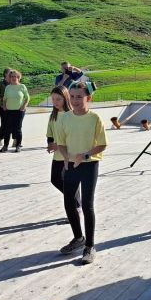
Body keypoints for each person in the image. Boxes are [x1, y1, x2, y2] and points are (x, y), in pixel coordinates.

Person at [55, 81, 108, 264]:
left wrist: (84, 155)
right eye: (73, 96)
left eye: (79, 96)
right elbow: (60, 143)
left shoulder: (95, 119)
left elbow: (102, 144)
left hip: (89, 165)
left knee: (87, 204)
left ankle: (90, 246)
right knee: (68, 201)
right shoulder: (65, 118)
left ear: (88, 98)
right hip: (70, 165)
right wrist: (66, 157)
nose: (75, 100)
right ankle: (78, 238)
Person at [46, 86, 80, 219]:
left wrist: (57, 145)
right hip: (57, 155)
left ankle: (75, 208)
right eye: (53, 99)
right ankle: (76, 204)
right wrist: (50, 144)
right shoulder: (53, 115)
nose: (55, 102)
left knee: (71, 183)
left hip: (69, 155)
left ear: (65, 98)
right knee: (55, 179)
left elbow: (72, 136)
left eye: (58, 99)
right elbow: (50, 133)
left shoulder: (71, 115)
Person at [0, 69, 29, 153]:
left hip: (19, 111)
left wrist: (23, 106)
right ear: (10, 78)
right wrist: (4, 106)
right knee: (7, 129)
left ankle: (18, 145)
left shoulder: (22, 86)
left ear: (18, 77)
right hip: (9, 111)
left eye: (15, 76)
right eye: (12, 76)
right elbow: (5, 98)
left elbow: (27, 98)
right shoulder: (8, 87)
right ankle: (5, 146)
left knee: (18, 128)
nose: (14, 78)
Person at [0, 68, 11, 147]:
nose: (11, 75)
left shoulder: (14, 83)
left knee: (14, 124)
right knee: (4, 124)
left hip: (13, 107)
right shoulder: (0, 84)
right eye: (9, 73)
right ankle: (1, 140)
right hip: (3, 106)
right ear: (5, 74)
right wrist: (3, 97)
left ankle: (16, 140)